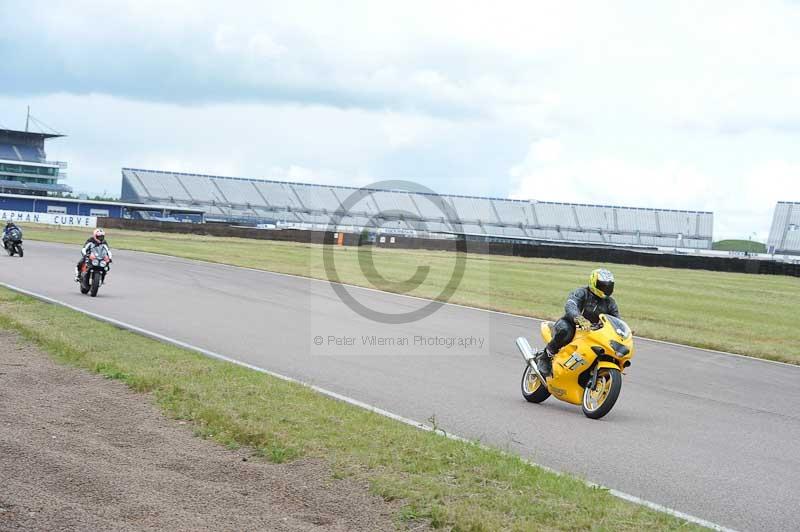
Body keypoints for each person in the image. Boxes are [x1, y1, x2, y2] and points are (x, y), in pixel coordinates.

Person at [535, 268, 620, 378]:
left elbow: (616, 319)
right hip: (571, 324)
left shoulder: (610, 303)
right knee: (565, 331)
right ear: (593, 283)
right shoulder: (581, 293)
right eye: (603, 285)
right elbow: (570, 305)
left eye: (609, 286)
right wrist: (579, 318)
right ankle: (546, 356)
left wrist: (621, 330)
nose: (606, 289)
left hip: (593, 332)